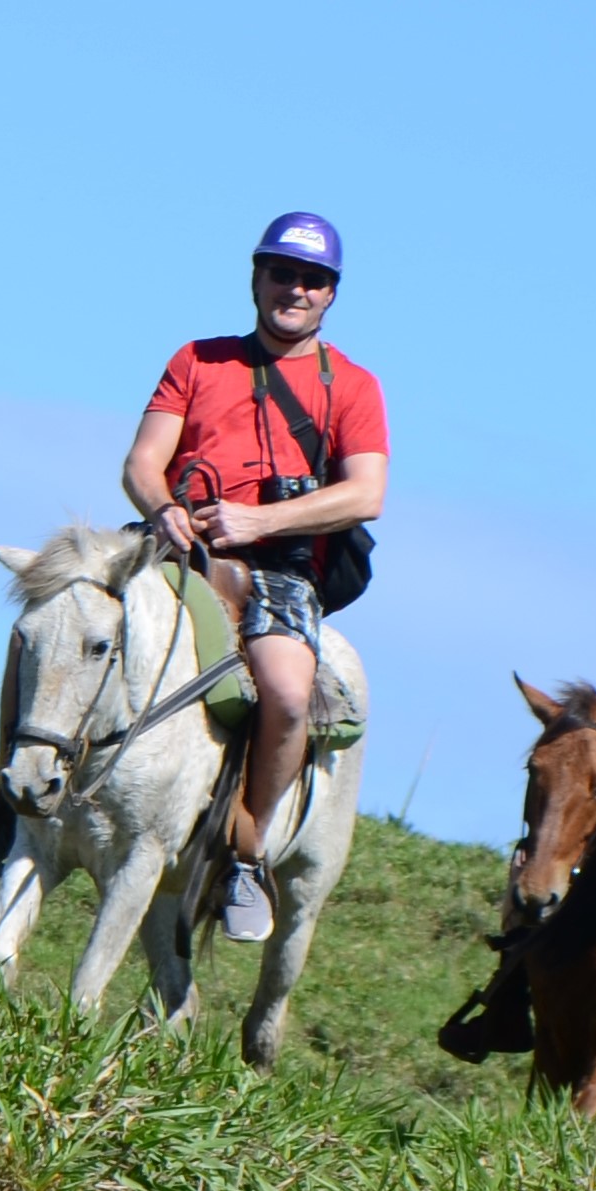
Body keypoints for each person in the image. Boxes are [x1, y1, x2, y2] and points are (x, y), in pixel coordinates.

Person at [119, 212, 387, 945]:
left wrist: (260, 524)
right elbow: (142, 461)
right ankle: (11, 798)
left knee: (290, 696)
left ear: (331, 294)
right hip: (178, 542)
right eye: (282, 273)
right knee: (64, 607)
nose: (294, 290)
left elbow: (366, 494)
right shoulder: (196, 359)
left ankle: (246, 851)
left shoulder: (353, 387)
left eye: (313, 280)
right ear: (255, 275)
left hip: (279, 566)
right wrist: (163, 506)